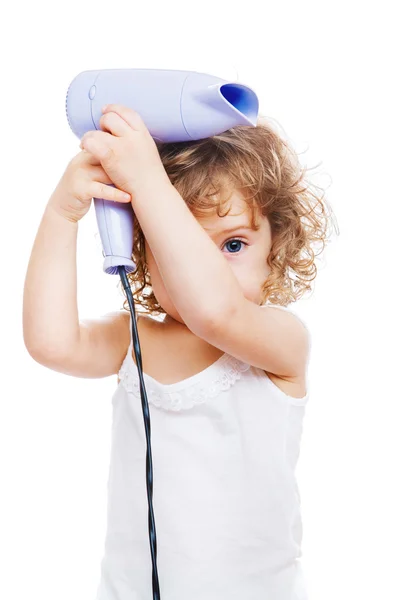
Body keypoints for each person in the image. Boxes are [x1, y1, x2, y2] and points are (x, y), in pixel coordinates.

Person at [23, 108, 338, 599]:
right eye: (177, 240)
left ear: (273, 250)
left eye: (232, 244)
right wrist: (62, 213)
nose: (205, 263)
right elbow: (51, 343)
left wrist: (148, 182)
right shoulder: (135, 338)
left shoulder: (278, 341)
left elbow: (215, 311)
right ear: (143, 250)